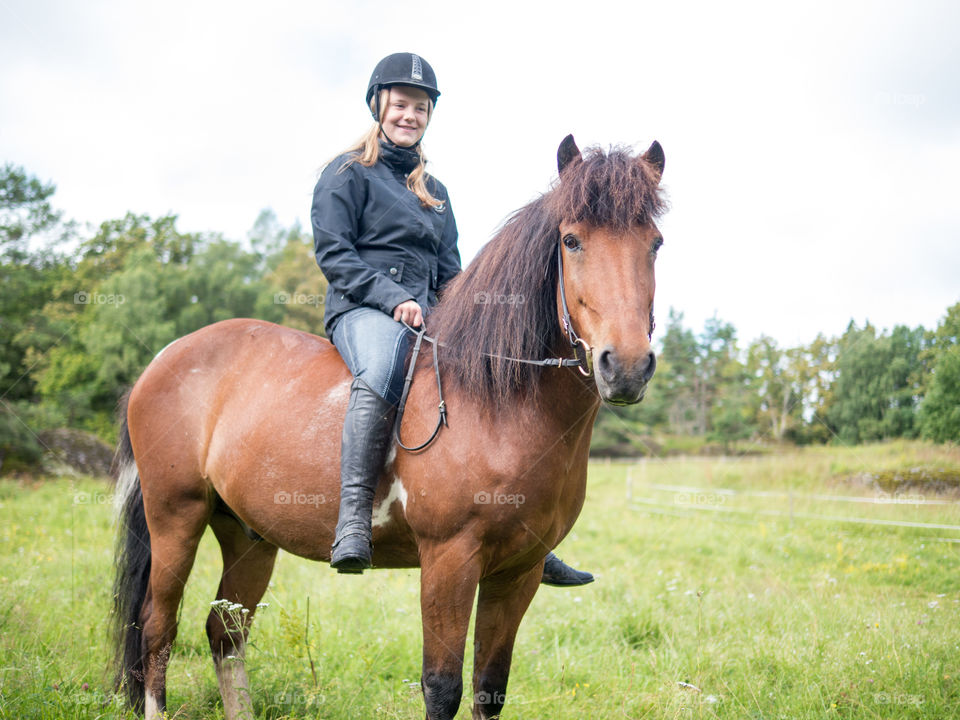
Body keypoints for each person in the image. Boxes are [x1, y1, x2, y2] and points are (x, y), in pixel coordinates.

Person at [311, 52, 593, 586]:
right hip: (363, 310)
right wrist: (392, 297)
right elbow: (334, 253)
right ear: (379, 107)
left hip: (426, 316)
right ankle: (354, 519)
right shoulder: (347, 173)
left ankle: (526, 533)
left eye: (420, 108)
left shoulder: (435, 194)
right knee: (381, 370)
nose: (409, 116)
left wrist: (466, 315)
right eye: (400, 105)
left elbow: (449, 272)